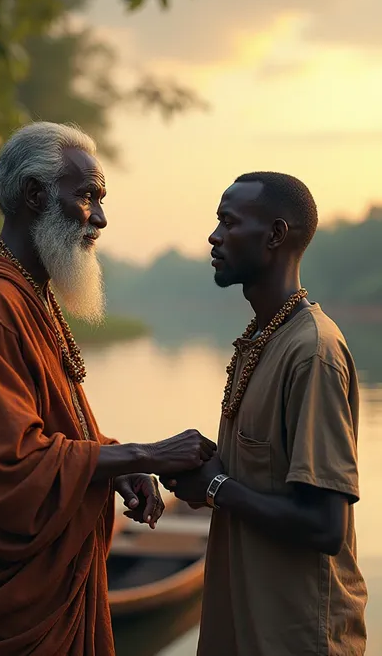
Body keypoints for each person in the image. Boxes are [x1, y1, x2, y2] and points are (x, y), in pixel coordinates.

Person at [0, 121, 216, 656]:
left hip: (53, 592)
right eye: (88, 197)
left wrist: (119, 461)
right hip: (4, 612)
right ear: (34, 195)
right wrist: (146, 453)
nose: (99, 218)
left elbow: (51, 424)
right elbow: (3, 468)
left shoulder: (33, 294)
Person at [161, 172, 368, 656]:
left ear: (275, 235)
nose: (214, 237)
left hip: (297, 636)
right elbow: (252, 485)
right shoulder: (262, 338)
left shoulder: (312, 352)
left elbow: (324, 526)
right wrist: (195, 471)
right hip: (243, 627)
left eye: (227, 223)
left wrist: (215, 486)